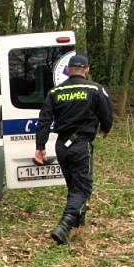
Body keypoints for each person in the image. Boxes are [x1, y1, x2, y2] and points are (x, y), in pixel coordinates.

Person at [35, 54, 114, 245]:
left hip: (61, 146)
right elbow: (108, 116)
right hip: (81, 145)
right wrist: (105, 129)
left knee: (74, 186)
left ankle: (79, 224)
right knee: (83, 189)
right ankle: (64, 227)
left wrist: (40, 147)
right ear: (86, 70)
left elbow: (44, 121)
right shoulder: (95, 89)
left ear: (69, 70)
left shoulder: (55, 92)